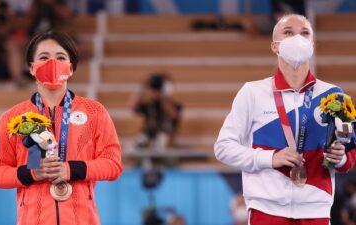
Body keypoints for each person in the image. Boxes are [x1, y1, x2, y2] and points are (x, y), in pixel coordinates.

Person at [214, 14, 356, 225]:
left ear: (312, 46)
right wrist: (269, 158)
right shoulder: (252, 93)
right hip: (266, 209)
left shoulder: (335, 96)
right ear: (274, 46)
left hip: (315, 209)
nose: (297, 38)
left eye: (304, 33)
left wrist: (341, 157)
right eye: (288, 32)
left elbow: (350, 156)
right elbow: (223, 148)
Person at [0, 31, 123, 225]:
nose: (52, 63)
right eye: (44, 57)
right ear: (32, 68)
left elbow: (113, 164)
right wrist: (33, 172)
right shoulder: (13, 119)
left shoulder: (95, 112)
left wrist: (70, 170)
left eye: (60, 57)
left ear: (71, 68)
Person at [132, 74, 182, 151]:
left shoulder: (174, 105)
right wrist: (142, 88)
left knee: (161, 140)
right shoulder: (149, 105)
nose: (155, 92)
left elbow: (174, 115)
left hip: (165, 139)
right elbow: (134, 108)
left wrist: (163, 97)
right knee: (139, 142)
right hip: (148, 137)